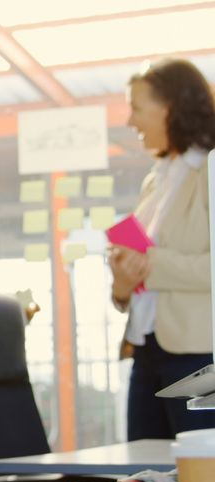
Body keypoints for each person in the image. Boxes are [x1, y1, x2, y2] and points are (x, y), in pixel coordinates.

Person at [110, 58, 215, 440]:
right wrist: (122, 282)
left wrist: (149, 263)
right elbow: (135, 281)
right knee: (140, 476)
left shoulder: (210, 171)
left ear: (170, 106)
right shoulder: (155, 181)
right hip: (146, 346)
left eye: (137, 108)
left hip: (201, 357)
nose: (130, 122)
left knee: (204, 477)